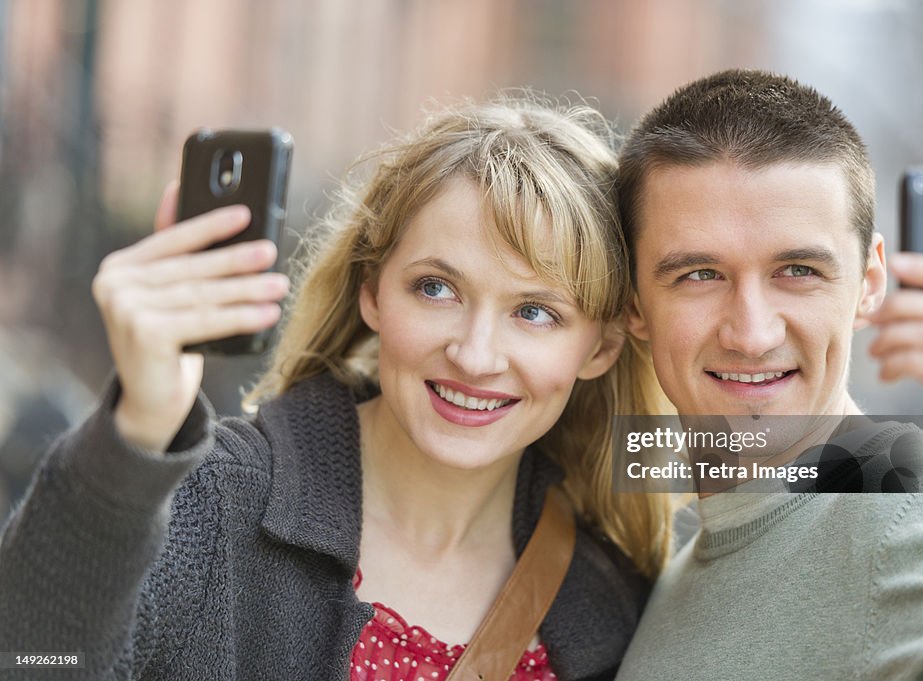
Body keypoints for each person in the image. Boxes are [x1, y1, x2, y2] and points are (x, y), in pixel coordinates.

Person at [0, 96, 673, 680]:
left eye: (534, 312)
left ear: (602, 346)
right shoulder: (212, 502)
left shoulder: (608, 601)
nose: (474, 354)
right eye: (435, 288)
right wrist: (134, 436)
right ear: (373, 292)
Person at [613, 69, 923, 680]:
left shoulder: (917, 522)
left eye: (798, 270)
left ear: (869, 284)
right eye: (699, 274)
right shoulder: (674, 550)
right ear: (633, 303)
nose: (751, 335)